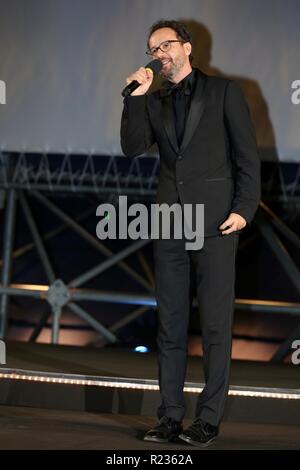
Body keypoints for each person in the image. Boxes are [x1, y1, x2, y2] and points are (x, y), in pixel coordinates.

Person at [120, 19, 260, 448]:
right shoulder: (155, 99)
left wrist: (244, 209)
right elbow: (132, 147)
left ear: (186, 47)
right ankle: (170, 417)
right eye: (151, 48)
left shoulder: (224, 93)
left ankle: (208, 419)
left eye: (164, 45)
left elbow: (246, 156)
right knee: (170, 325)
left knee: (216, 326)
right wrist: (135, 99)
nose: (157, 53)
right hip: (169, 224)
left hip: (217, 223)